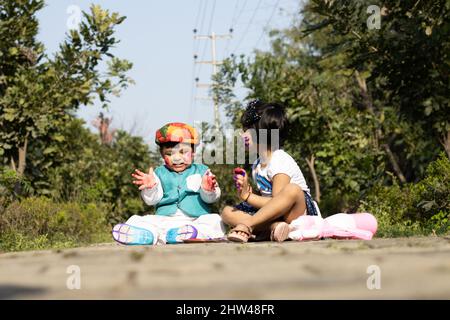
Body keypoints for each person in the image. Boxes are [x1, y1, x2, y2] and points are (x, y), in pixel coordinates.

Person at [221, 100, 321, 243]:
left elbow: (277, 201)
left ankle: (249, 225)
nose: (243, 135)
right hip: (276, 216)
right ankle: (274, 227)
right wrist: (247, 192)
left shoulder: (279, 159)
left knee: (292, 189)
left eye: (248, 130)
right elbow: (266, 202)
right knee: (227, 212)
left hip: (296, 212)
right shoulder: (257, 165)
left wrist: (248, 196)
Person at [112, 122, 226, 245]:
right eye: (169, 154)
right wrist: (151, 188)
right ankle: (147, 235)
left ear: (193, 152)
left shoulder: (203, 171)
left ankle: (190, 234)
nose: (177, 158)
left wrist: (208, 190)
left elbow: (211, 199)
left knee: (215, 220)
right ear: (162, 154)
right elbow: (152, 200)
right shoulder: (158, 173)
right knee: (138, 220)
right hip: (164, 219)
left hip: (194, 220)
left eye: (183, 152)